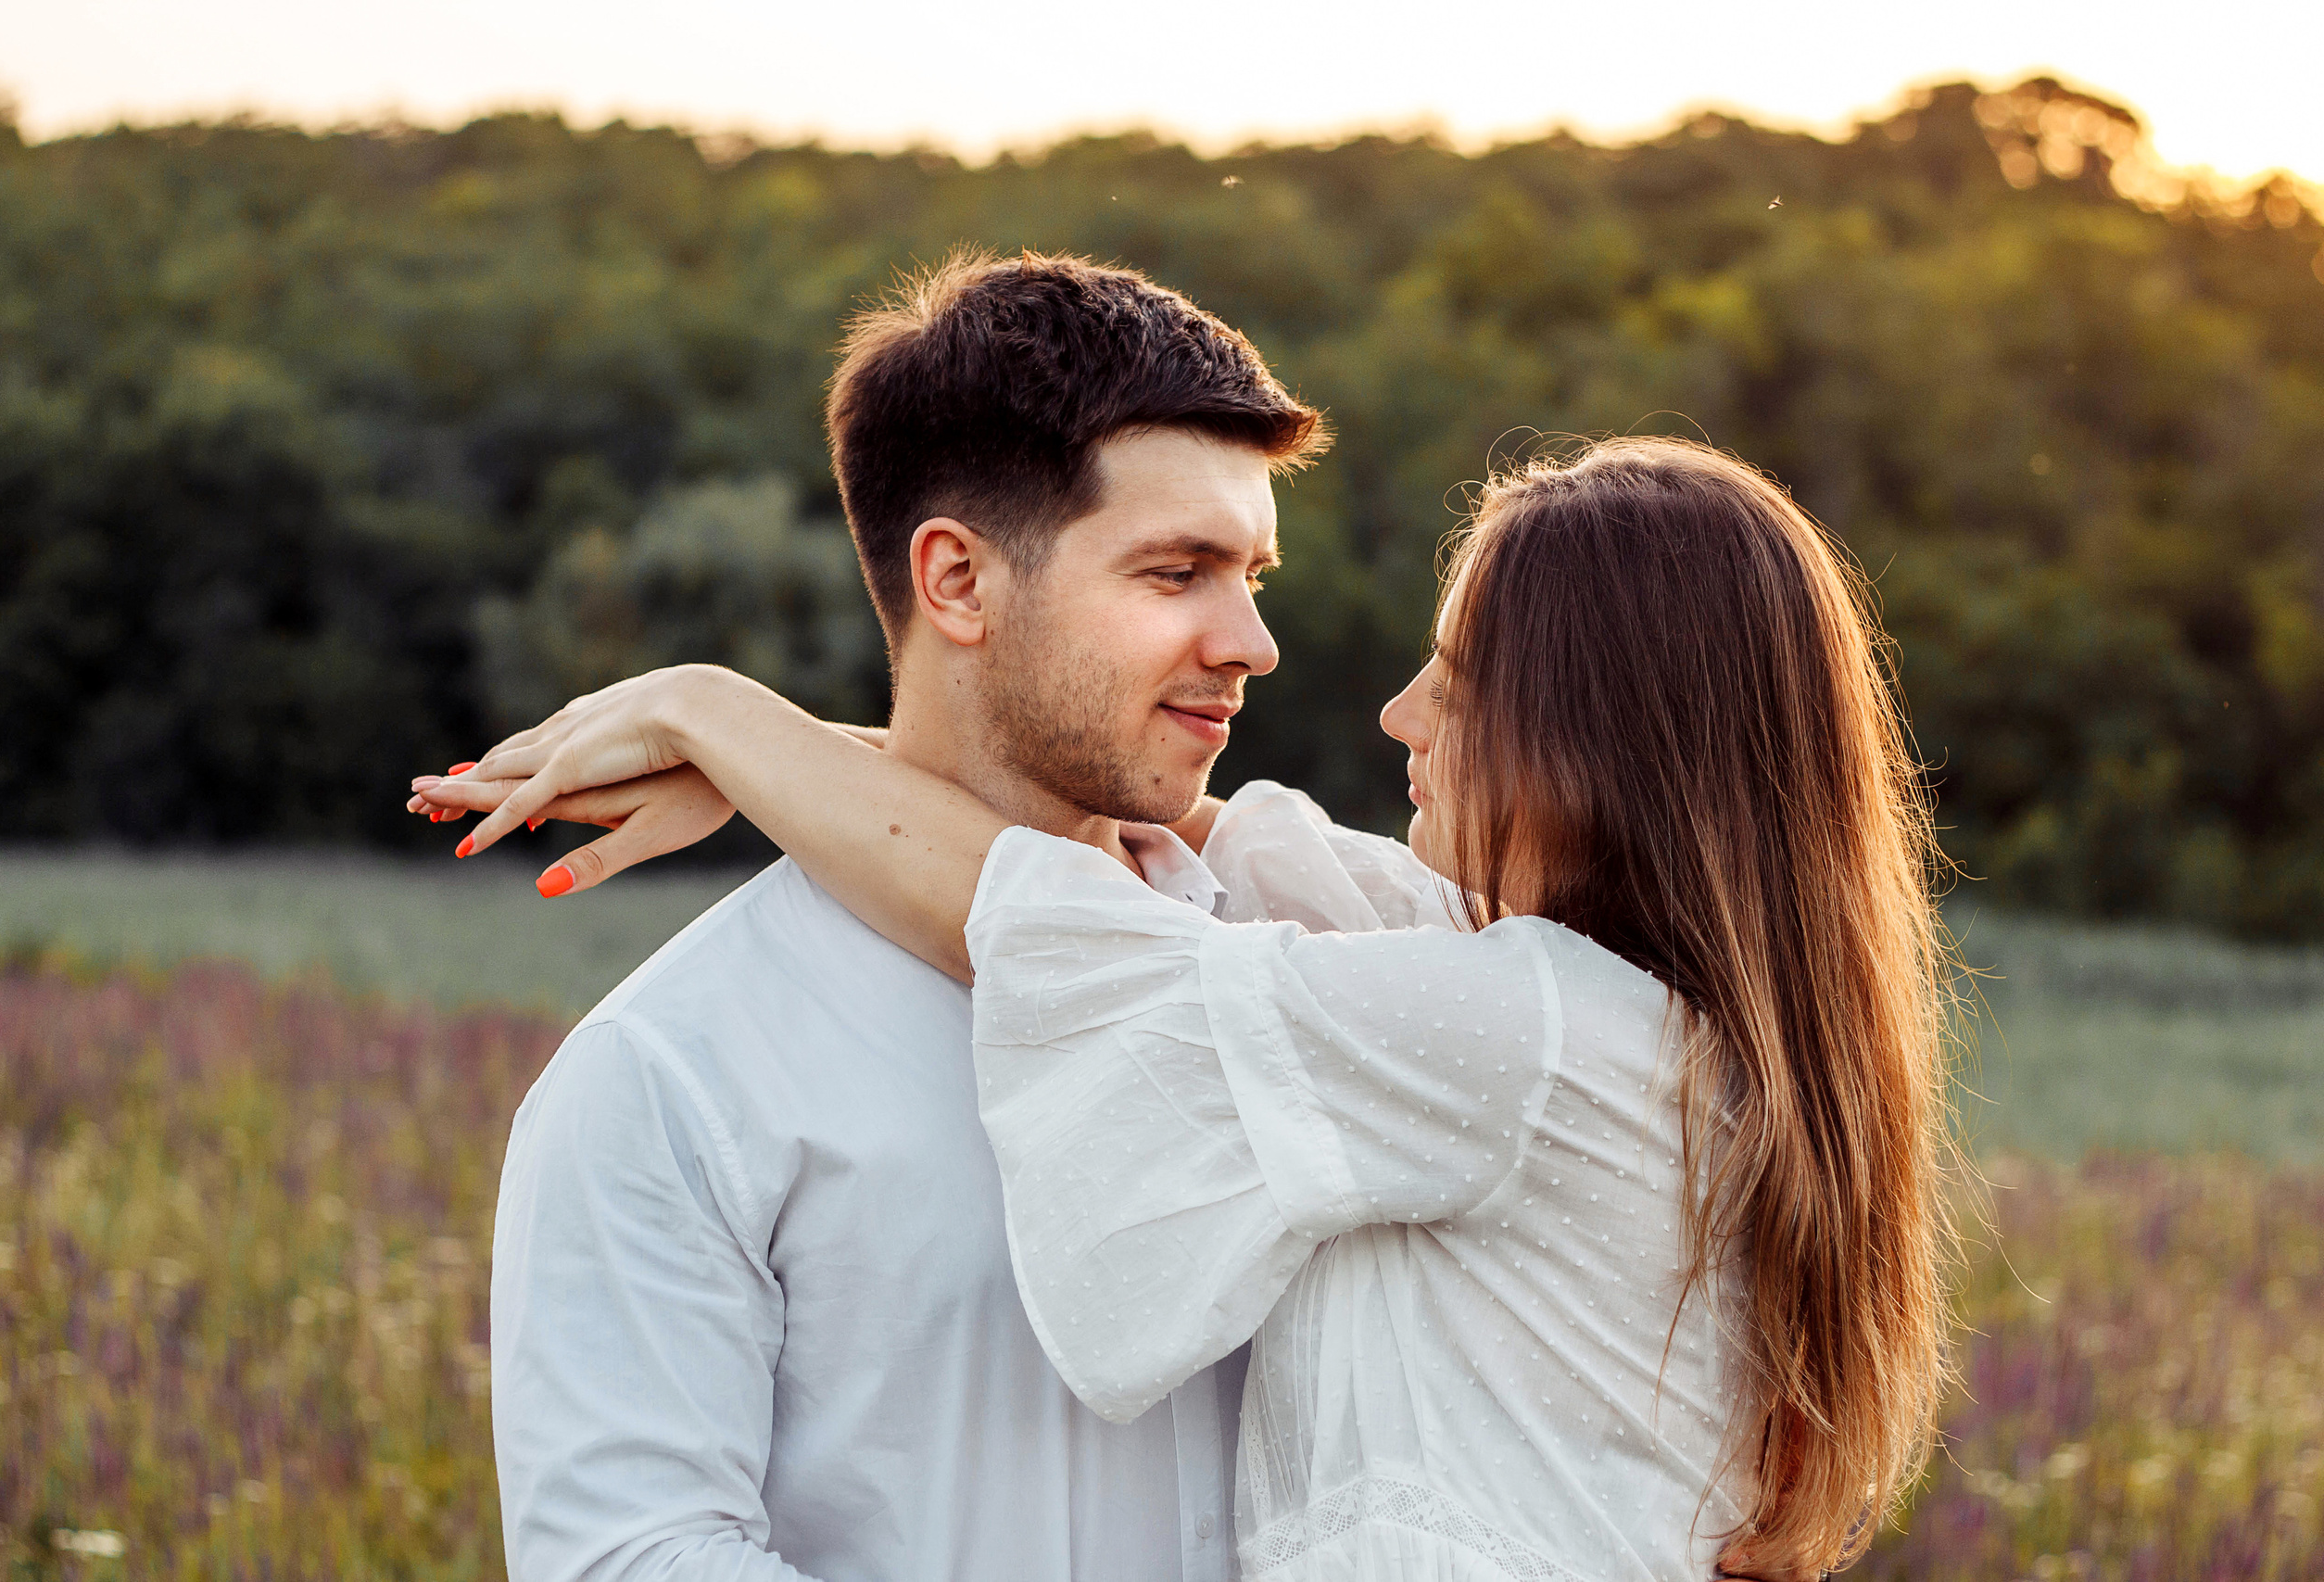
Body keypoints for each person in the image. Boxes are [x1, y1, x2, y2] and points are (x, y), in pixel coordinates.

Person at [421, 437, 1960, 1580]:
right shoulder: (1575, 1001)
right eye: (1176, 573)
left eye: (1461, 678)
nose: (1393, 712)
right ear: (957, 578)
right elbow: (1174, 833)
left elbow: (1049, 930)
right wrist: (811, 760)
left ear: (1606, 739)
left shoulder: (1521, 1028)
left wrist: (714, 705)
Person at [449, 250, 1328, 1581]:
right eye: (1177, 573)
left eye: (1254, 573)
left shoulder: (1304, 951)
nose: (1251, 641)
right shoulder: (672, 1074)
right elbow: (630, 1560)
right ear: (960, 582)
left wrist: (737, 728)